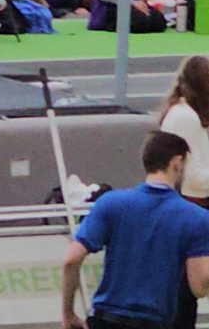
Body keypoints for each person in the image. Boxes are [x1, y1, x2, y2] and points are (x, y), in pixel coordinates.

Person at [61, 130, 209, 329]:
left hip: (104, 318)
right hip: (153, 321)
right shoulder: (196, 218)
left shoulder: (110, 203)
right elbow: (199, 286)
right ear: (177, 162)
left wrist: (68, 313)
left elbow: (71, 260)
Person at [160, 56, 209, 329]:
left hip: (191, 213)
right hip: (187, 215)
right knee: (183, 297)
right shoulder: (185, 117)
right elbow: (194, 180)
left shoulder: (191, 114)